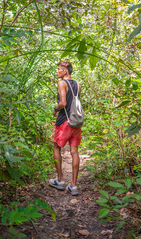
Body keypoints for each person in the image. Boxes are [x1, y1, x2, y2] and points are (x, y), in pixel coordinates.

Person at [49, 61, 82, 196]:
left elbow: (63, 103)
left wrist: (55, 109)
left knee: (57, 147)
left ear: (66, 71)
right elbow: (77, 103)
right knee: (74, 151)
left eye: (59, 69)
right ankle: (73, 185)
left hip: (64, 122)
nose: (57, 72)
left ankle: (60, 181)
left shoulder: (62, 83)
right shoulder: (77, 85)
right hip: (76, 121)